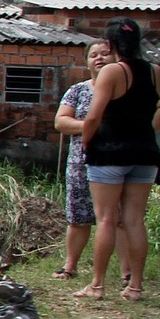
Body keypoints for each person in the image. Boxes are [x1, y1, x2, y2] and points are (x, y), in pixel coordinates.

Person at [76, 17, 160, 301]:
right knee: (134, 221)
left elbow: (93, 116)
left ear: (110, 44)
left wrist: (86, 141)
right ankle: (135, 287)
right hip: (144, 152)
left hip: (109, 152)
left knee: (106, 219)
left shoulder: (112, 72)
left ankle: (97, 285)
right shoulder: (156, 71)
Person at [52, 40, 113, 279]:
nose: (99, 59)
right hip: (80, 162)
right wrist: (92, 126)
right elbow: (61, 122)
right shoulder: (77, 91)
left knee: (115, 219)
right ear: (86, 61)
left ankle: (126, 274)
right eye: (93, 55)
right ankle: (70, 266)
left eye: (105, 54)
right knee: (78, 218)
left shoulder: (123, 91)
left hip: (114, 164)